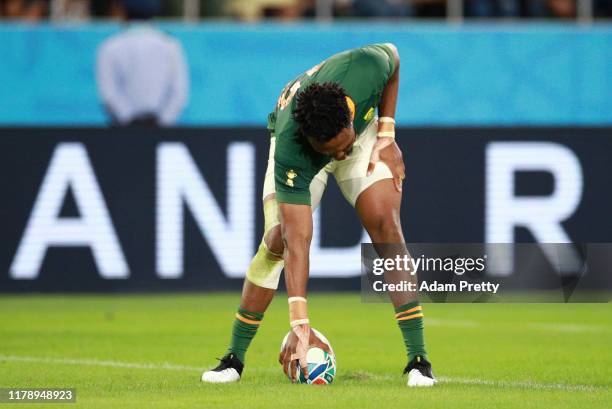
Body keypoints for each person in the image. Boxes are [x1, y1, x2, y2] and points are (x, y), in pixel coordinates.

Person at [201, 44, 436, 387]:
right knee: (277, 240)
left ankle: (419, 360)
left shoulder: (365, 67)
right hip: (304, 157)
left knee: (386, 226)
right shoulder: (292, 149)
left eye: (342, 144)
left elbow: (395, 58)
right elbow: (299, 240)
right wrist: (300, 320)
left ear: (348, 115)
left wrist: (386, 133)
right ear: (312, 141)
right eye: (332, 151)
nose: (340, 154)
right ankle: (233, 360)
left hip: (365, 136)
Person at [95, 0, 189, 126]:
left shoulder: (110, 47)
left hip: (122, 133)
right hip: (159, 133)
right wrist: (161, 121)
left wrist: (130, 119)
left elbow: (109, 94)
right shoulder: (170, 45)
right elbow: (178, 93)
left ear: (123, 11)